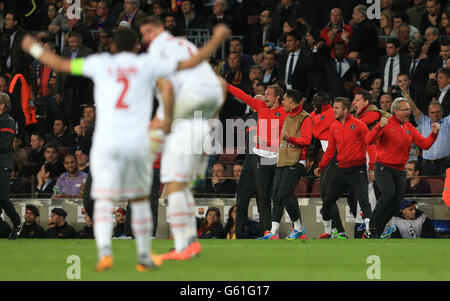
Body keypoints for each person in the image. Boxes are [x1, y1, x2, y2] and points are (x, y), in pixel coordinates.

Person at [22, 22, 230, 271]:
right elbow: (189, 62)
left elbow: (59, 64)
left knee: (102, 200)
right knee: (140, 198)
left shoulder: (99, 63)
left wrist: (32, 48)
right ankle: (143, 254)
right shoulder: (147, 65)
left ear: (110, 45)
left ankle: (105, 253)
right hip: (134, 141)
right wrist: (217, 39)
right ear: (136, 46)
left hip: (106, 142)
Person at [141, 16, 229, 261]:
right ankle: (190, 243)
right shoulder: (185, 46)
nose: (147, 37)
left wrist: (165, 121)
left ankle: (184, 246)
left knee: (174, 185)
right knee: (182, 186)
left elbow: (167, 89)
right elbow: (220, 84)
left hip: (187, 121)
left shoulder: (158, 52)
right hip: (204, 121)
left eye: (148, 32)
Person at [366, 97, 440, 238]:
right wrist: (378, 126)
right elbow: (368, 140)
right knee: (388, 194)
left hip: (400, 170)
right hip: (383, 167)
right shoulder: (385, 124)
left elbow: (425, 145)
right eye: (405, 109)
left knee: (395, 205)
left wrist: (434, 134)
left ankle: (377, 231)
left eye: (409, 109)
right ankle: (371, 226)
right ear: (396, 111)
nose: (409, 112)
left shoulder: (409, 127)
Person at [226, 84, 288, 237]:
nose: (264, 96)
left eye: (268, 94)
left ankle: (268, 232)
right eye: (264, 94)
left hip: (267, 160)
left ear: (277, 97)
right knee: (241, 200)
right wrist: (226, 85)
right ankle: (238, 235)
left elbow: (284, 139)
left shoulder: (283, 113)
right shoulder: (258, 109)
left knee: (264, 200)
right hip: (249, 163)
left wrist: (266, 142)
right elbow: (243, 96)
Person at [314, 97, 374, 239]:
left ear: (345, 110)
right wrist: (321, 166)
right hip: (340, 170)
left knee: (363, 199)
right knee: (327, 202)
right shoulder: (333, 127)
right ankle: (330, 231)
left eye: (336, 108)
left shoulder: (359, 125)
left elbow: (370, 144)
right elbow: (330, 150)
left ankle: (369, 231)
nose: (333, 110)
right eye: (333, 107)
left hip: (357, 170)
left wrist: (371, 167)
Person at [259, 89, 312, 240]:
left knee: (284, 193)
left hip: (296, 159)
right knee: (276, 195)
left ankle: (299, 228)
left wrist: (291, 139)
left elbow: (307, 140)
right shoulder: (288, 117)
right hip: (283, 159)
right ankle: (273, 230)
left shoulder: (305, 118)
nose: (282, 102)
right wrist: (265, 143)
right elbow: (282, 141)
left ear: (291, 100)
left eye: (284, 99)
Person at [405, 94, 450, 176]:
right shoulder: (423, 121)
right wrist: (405, 94)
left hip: (445, 164)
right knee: (427, 187)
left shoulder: (448, 122)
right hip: (426, 165)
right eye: (432, 112)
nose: (435, 115)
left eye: (438, 112)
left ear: (442, 112)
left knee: (445, 188)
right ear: (428, 114)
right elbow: (414, 109)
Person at [0, 92, 21, 239]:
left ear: (2, 105)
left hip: (3, 163)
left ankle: (17, 222)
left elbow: (4, 143)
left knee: (2, 197)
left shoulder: (8, 121)